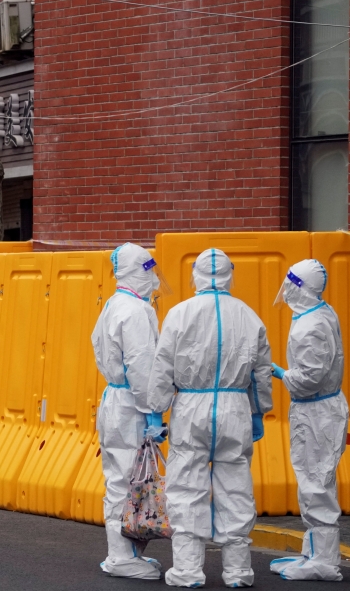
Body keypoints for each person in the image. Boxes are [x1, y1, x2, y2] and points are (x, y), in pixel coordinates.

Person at [148, 248, 273, 588]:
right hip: (235, 410)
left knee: (186, 486)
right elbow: (261, 371)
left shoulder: (179, 314)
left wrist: (156, 411)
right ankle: (238, 570)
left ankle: (188, 570)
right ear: (230, 275)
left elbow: (162, 367)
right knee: (236, 487)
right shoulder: (249, 316)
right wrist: (259, 409)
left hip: (191, 408)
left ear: (197, 275)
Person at [91, 243, 170, 579]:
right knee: (126, 482)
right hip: (131, 407)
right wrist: (153, 410)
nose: (154, 277)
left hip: (117, 401)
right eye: (148, 270)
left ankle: (128, 553)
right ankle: (121, 556)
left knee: (125, 479)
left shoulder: (115, 304)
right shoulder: (135, 311)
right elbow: (141, 366)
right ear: (139, 270)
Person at [269, 259, 348, 582]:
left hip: (316, 412)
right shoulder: (319, 314)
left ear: (300, 286)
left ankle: (324, 562)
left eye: (290, 283)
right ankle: (314, 551)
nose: (285, 289)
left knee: (316, 485)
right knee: (314, 481)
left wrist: (279, 373)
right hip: (318, 410)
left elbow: (308, 378)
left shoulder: (311, 325)